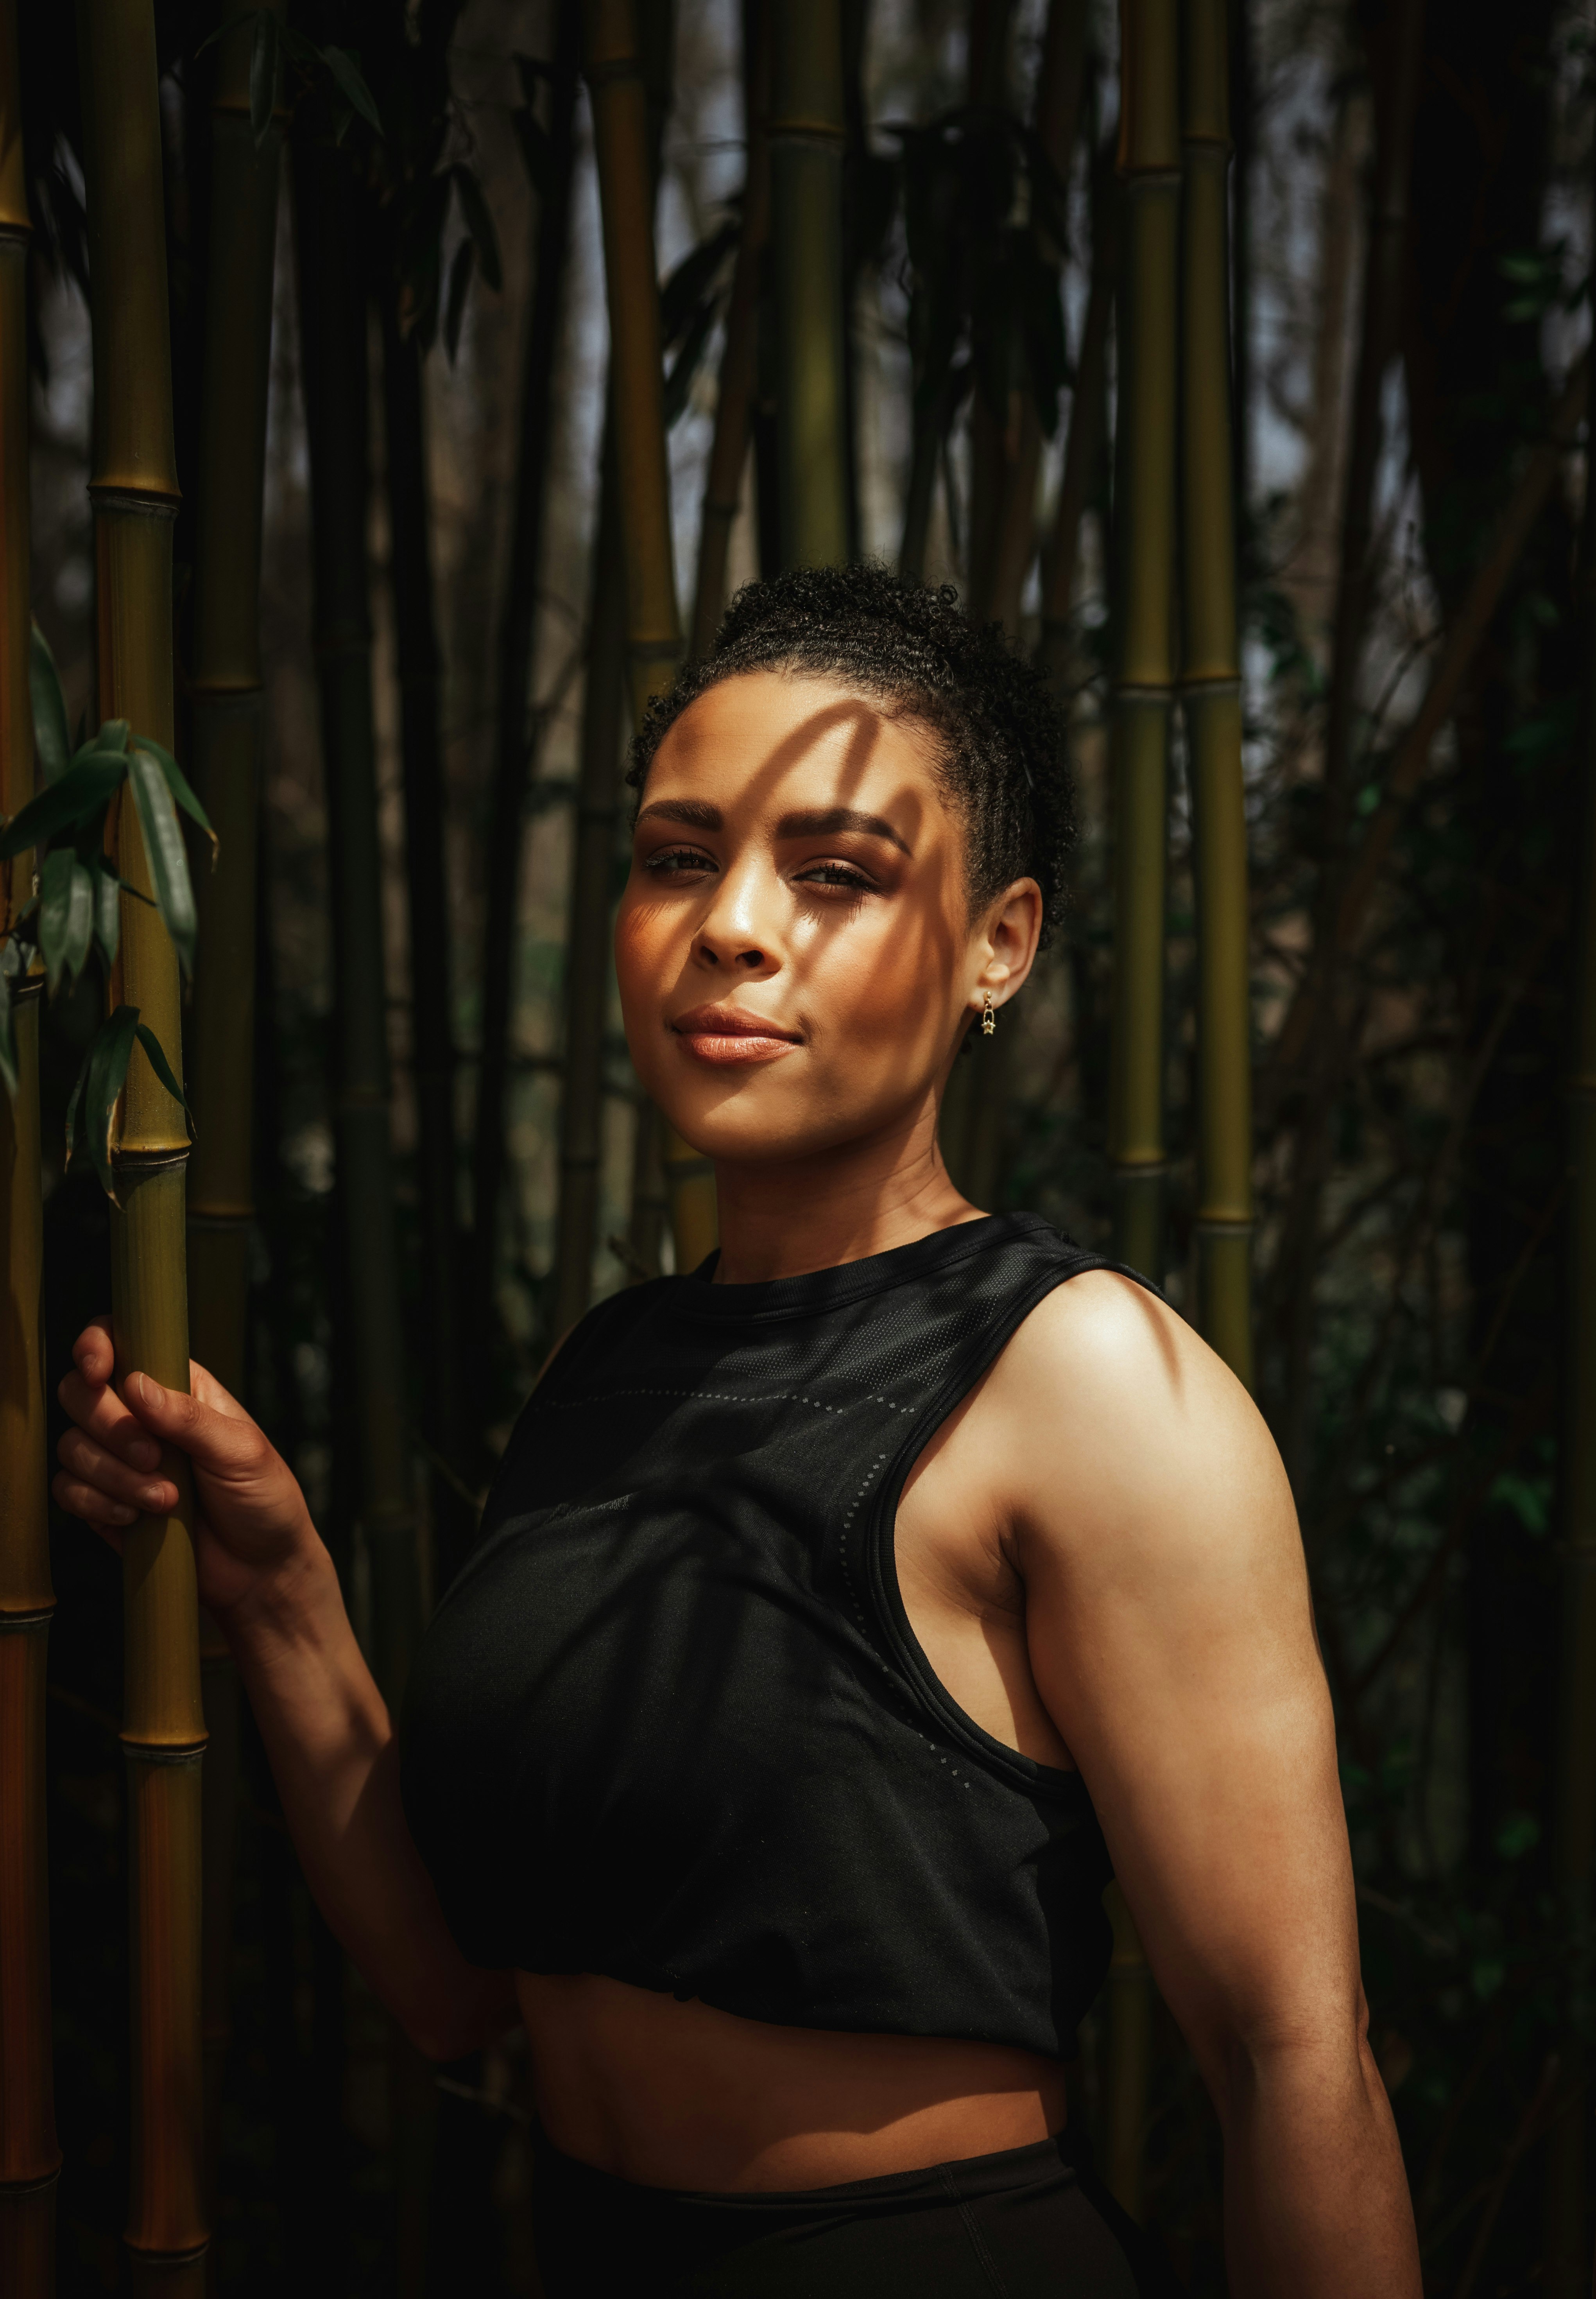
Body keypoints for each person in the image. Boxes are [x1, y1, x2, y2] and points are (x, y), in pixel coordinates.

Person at [56, 567, 1420, 2297]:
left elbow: (1292, 2056)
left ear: (999, 940)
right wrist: (281, 1596)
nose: (731, 925)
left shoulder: (1090, 1384)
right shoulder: (611, 1361)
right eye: (678, 856)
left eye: (835, 873)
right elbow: (458, 1991)